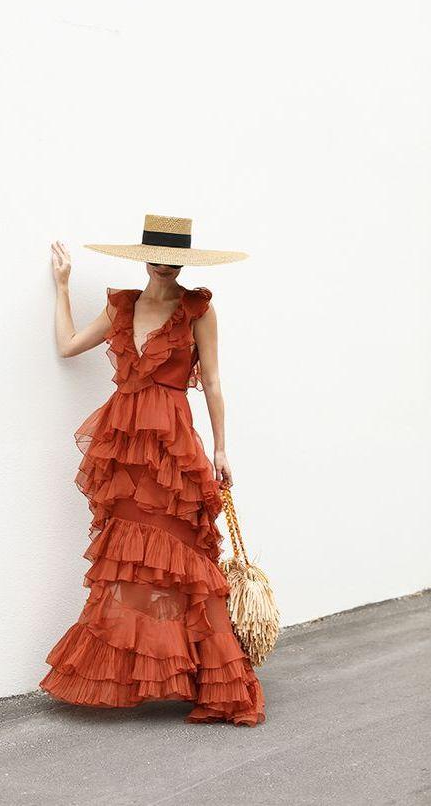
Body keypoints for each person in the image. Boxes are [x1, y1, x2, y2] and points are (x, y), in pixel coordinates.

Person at [39, 215, 265, 726]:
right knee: (131, 562)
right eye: (159, 258)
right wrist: (63, 286)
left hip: (171, 447)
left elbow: (212, 383)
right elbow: (69, 345)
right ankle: (138, 674)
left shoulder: (197, 310)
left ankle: (214, 681)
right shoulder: (122, 307)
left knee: (182, 557)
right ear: (145, 259)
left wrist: (221, 449)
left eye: (175, 260)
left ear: (184, 262)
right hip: (124, 449)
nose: (166, 267)